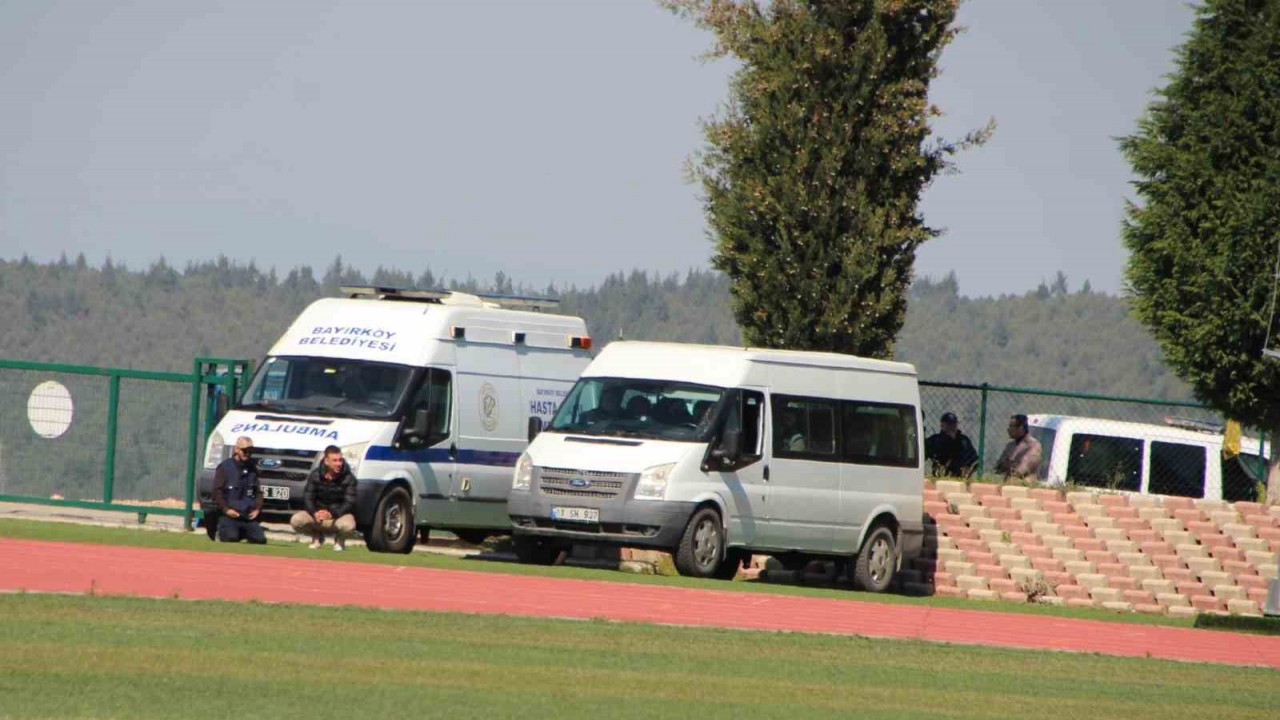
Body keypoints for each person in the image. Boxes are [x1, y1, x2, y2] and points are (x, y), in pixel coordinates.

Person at [291, 445, 358, 551]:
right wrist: (314, 512)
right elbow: (308, 497)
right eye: (335, 460)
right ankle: (317, 535)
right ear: (326, 461)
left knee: (349, 526)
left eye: (340, 460)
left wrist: (331, 514)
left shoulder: (349, 478)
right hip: (317, 516)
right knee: (296, 520)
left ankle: (339, 539)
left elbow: (349, 502)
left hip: (337, 516)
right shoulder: (315, 475)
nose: (339, 464)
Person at [211, 436, 266, 544]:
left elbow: (258, 492)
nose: (247, 454)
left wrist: (257, 509)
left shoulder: (252, 469)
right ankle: (222, 532)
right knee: (230, 537)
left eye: (250, 451)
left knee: (259, 539)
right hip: (229, 514)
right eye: (244, 451)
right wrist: (226, 509)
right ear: (236, 449)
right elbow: (216, 491)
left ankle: (243, 532)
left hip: (246, 516)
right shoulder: (225, 467)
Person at [924, 412, 979, 477]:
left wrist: (967, 472)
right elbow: (922, 455)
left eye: (954, 424)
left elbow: (975, 461)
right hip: (940, 476)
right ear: (942, 425)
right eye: (949, 424)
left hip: (960, 477)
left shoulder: (963, 441)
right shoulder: (935, 440)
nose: (951, 427)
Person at [995, 414, 1043, 480]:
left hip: (1023, 484)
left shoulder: (1033, 445)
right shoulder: (1010, 446)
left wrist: (1009, 465)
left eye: (1012, 426)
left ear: (1021, 428)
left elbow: (1021, 470)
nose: (1008, 429)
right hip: (1007, 482)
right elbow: (998, 468)